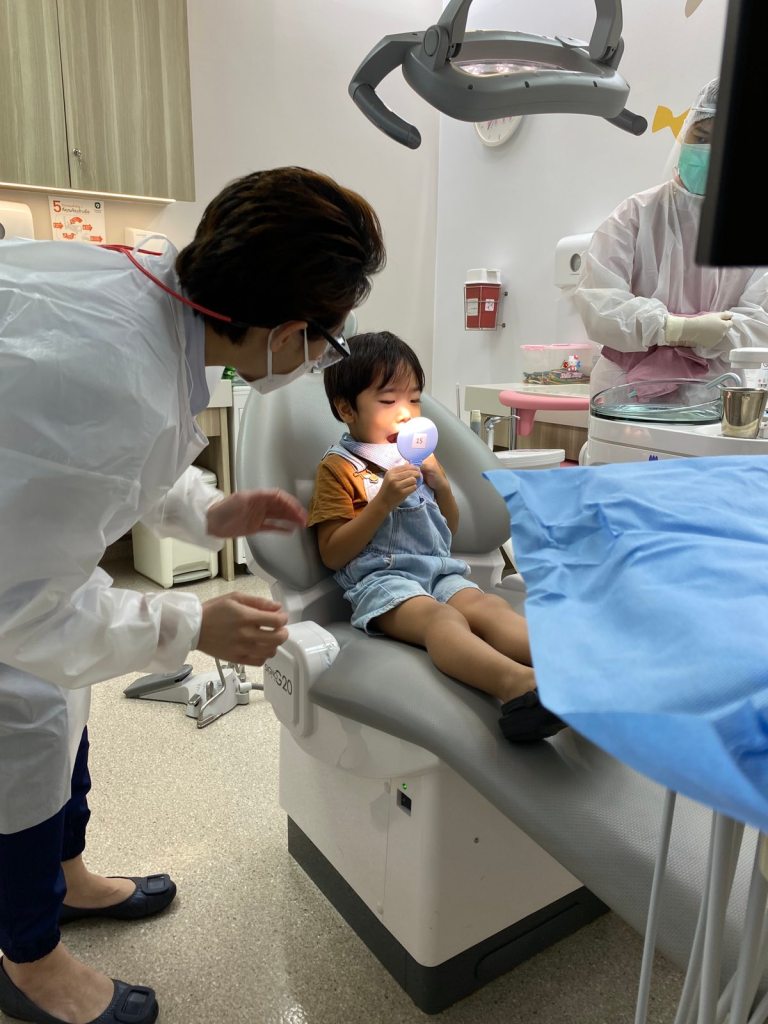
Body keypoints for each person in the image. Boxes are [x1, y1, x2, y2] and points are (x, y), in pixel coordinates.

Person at [0, 166, 385, 1024]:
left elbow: (115, 455)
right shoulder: (116, 382)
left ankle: (64, 879)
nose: (325, 355)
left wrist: (211, 509)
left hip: (18, 541)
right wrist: (191, 622)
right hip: (8, 588)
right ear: (286, 331)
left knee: (65, 708)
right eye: (328, 338)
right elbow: (24, 614)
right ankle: (28, 958)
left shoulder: (146, 291)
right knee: (21, 729)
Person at [307, 331, 565, 745]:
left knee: (486, 606)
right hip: (384, 584)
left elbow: (448, 529)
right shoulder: (340, 469)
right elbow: (333, 553)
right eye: (388, 401)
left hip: (437, 571)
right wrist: (382, 502)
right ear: (345, 408)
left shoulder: (419, 457)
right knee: (444, 620)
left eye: (414, 399)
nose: (406, 413)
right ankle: (518, 686)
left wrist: (442, 486)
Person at [574, 77, 768, 398]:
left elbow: (761, 323)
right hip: (624, 391)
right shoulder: (635, 214)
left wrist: (716, 335)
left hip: (720, 394)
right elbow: (599, 302)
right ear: (684, 132)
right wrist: (675, 328)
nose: (710, 152)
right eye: (702, 137)